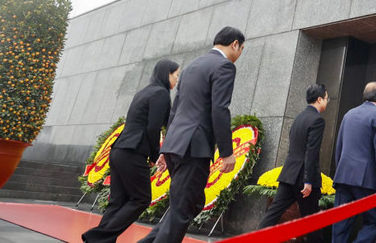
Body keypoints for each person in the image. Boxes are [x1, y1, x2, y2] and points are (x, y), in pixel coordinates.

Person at [138, 26, 245, 243]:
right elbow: (220, 109)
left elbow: (176, 109)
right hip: (193, 148)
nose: (240, 53)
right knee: (183, 209)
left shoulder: (192, 67)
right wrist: (226, 152)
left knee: (189, 204)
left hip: (177, 146)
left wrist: (166, 146)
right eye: (241, 48)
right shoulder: (224, 66)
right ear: (235, 44)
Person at [82, 59, 180, 243]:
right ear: (167, 74)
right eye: (176, 75)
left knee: (117, 201)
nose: (177, 80)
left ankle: (100, 242)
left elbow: (166, 123)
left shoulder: (144, 92)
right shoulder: (160, 93)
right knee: (141, 198)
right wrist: (155, 155)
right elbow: (153, 128)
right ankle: (96, 237)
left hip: (119, 150)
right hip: (133, 152)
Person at [257, 83, 329, 242]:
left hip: (289, 174)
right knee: (312, 221)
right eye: (326, 98)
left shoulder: (299, 118)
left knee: (273, 214)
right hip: (303, 179)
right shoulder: (317, 120)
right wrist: (308, 180)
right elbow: (311, 152)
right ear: (319, 99)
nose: (327, 101)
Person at [331, 82, 376, 243]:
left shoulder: (348, 114)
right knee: (375, 221)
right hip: (366, 179)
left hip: (343, 176)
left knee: (341, 224)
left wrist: (340, 170)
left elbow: (340, 146)